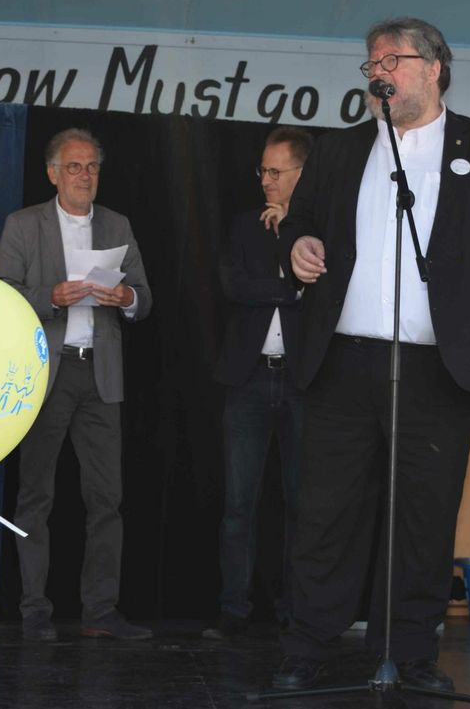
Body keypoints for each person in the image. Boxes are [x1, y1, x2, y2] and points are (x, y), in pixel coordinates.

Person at [272, 17, 470, 692]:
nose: (379, 72)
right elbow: (300, 225)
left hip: (435, 364)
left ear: (434, 68)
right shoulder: (338, 151)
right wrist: (298, 248)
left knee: (423, 515)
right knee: (327, 512)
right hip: (343, 359)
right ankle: (310, 645)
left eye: (393, 59)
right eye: (372, 64)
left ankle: (412, 652)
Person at [0, 128, 153, 642]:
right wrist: (52, 296)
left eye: (92, 167)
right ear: (52, 173)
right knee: (35, 496)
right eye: (75, 166)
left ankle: (100, 613)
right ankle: (34, 611)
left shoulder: (117, 223)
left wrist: (125, 296)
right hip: (45, 374)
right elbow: (1, 295)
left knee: (106, 499)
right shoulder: (24, 225)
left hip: (100, 376)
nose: (85, 176)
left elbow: (144, 299)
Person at [204, 126, 313, 640]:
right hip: (247, 380)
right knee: (237, 505)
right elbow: (235, 286)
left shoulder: (319, 229)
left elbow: (324, 291)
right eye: (262, 172)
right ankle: (234, 611)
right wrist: (290, 286)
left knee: (301, 504)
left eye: (275, 172)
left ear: (300, 175)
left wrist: (291, 232)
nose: (266, 181)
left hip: (302, 382)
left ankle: (296, 611)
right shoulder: (245, 225)